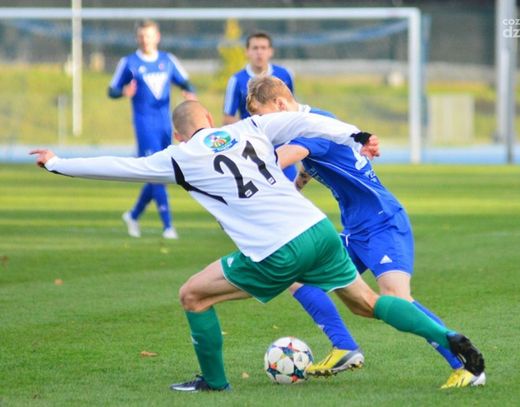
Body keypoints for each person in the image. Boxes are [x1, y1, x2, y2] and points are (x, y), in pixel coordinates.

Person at [30, 100, 484, 393]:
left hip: (274, 251)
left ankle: (214, 382)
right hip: (319, 231)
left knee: (193, 295)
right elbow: (307, 119)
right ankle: (447, 337)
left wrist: (57, 164)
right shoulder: (251, 127)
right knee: (368, 304)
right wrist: (356, 134)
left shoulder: (179, 157)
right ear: (211, 121)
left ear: (179, 135)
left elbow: (119, 167)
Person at [246, 76, 486, 389]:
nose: (261, 125)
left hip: (383, 223)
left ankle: (467, 366)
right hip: (356, 229)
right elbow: (312, 160)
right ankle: (344, 347)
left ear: (279, 104)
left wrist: (243, 171)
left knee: (397, 299)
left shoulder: (309, 128)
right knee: (299, 277)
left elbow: (282, 158)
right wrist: (297, 186)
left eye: (261, 117)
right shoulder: (314, 120)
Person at [108, 19, 197, 239]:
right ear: (137, 38)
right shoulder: (129, 63)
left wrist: (189, 93)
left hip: (165, 125)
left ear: (157, 37)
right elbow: (112, 90)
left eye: (148, 35)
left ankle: (133, 215)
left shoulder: (168, 60)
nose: (145, 40)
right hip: (144, 125)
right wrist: (123, 92)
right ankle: (168, 226)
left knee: (163, 171)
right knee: (157, 172)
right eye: (141, 36)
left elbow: (186, 82)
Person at [223, 31, 297, 181]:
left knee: (291, 187)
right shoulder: (237, 80)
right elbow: (228, 118)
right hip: (253, 147)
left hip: (281, 144)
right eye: (255, 48)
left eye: (263, 48)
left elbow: (292, 108)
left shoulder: (284, 75)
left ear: (270, 51)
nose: (259, 52)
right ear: (247, 51)